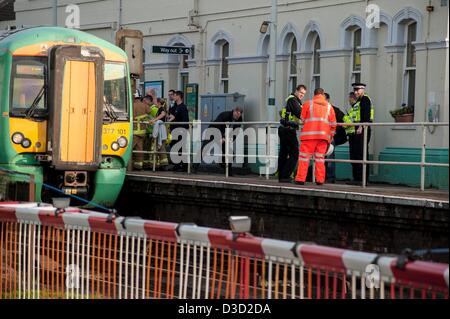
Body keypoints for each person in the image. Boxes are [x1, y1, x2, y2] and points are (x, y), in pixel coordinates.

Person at [294, 88, 336, 186]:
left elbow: (302, 118)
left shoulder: (308, 104)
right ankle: (320, 180)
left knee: (304, 158)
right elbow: (333, 124)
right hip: (323, 137)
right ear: (323, 94)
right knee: (320, 159)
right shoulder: (329, 106)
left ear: (314, 94)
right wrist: (331, 135)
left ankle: (300, 179)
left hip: (309, 136)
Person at [344, 83, 375, 185]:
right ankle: (357, 178)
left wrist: (361, 126)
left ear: (363, 90)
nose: (356, 92)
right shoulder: (358, 102)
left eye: (358, 90)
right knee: (355, 154)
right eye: (355, 90)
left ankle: (362, 179)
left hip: (362, 129)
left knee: (361, 154)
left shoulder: (365, 99)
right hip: (356, 130)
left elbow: (365, 115)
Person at [278, 85, 307, 183]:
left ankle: (281, 176)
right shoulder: (293, 101)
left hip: (284, 129)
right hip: (288, 130)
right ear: (296, 91)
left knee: (283, 153)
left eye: (303, 94)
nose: (302, 95)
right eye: (301, 93)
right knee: (294, 154)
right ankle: (285, 176)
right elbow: (300, 113)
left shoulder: (291, 100)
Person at [206, 106, 243, 175]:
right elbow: (218, 126)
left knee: (230, 154)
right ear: (234, 111)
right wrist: (221, 137)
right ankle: (193, 167)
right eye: (236, 115)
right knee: (204, 149)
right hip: (213, 131)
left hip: (224, 136)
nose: (237, 117)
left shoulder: (239, 119)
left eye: (238, 116)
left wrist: (229, 139)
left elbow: (236, 132)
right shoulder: (225, 115)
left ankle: (228, 171)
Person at [324, 93, 347, 183]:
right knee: (324, 156)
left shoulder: (334, 109)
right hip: (323, 136)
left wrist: (336, 130)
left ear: (328, 100)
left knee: (329, 156)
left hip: (331, 136)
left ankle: (330, 177)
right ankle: (325, 176)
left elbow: (344, 119)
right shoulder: (321, 109)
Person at [168, 91, 189, 171]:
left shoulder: (183, 107)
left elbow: (185, 120)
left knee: (181, 148)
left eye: (174, 95)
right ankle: (177, 165)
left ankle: (183, 166)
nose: (173, 97)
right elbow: (171, 113)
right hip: (174, 131)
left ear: (179, 96)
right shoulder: (175, 106)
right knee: (174, 147)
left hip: (180, 131)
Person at [132, 90, 152, 170]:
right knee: (139, 149)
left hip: (134, 131)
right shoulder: (144, 105)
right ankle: (139, 166)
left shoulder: (131, 105)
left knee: (129, 149)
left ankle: (130, 166)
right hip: (142, 132)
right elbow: (149, 111)